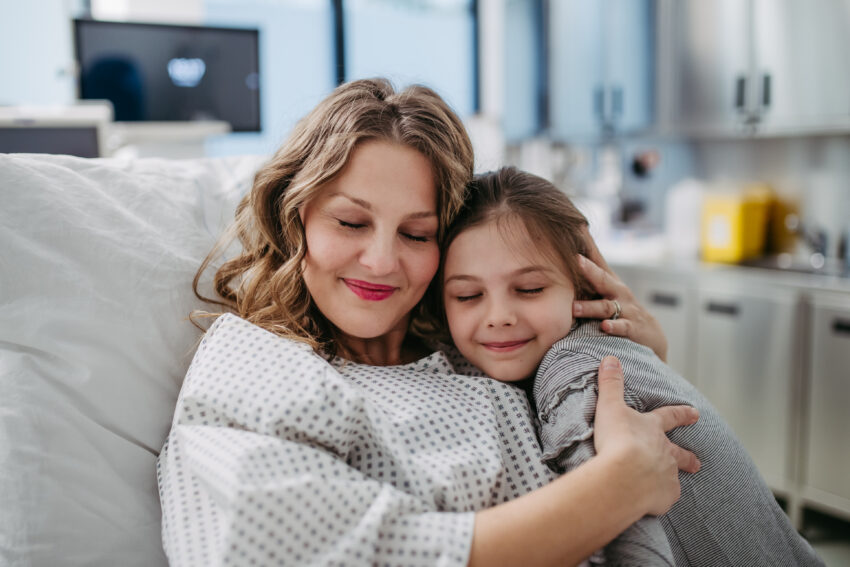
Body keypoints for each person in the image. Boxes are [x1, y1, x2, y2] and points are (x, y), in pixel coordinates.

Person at [157, 78, 700, 567]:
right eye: (350, 222)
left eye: (417, 234)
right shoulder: (253, 365)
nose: (381, 261)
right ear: (294, 214)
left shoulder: (477, 347)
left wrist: (639, 358)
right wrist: (619, 487)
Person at [439, 166, 824, 566]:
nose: (498, 315)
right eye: (468, 295)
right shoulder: (594, 349)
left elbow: (625, 542)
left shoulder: (573, 374)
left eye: (530, 289)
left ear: (584, 284)